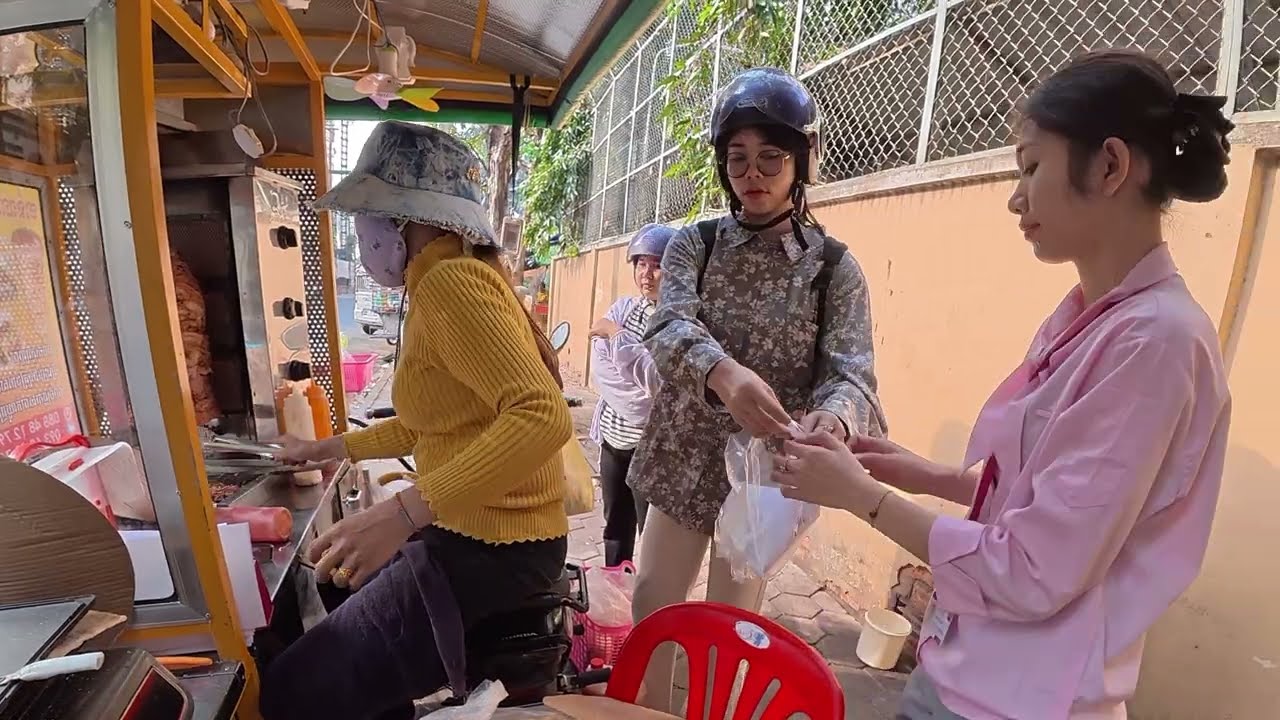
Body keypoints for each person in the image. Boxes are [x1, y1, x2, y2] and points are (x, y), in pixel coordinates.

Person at [771, 50, 1234, 719]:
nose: (1017, 196)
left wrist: (862, 498)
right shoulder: (1085, 316)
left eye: (1032, 167)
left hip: (1023, 697)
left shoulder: (1156, 343)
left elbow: (1034, 567)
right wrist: (921, 474)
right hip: (968, 662)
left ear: (1108, 165)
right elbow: (1042, 491)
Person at [259, 121, 573, 720]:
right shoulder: (444, 276)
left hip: (496, 549)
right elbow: (436, 420)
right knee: (336, 585)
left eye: (366, 214)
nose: (360, 232)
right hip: (479, 536)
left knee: (293, 690)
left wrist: (403, 512)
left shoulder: (450, 283)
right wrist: (337, 446)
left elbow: (540, 415)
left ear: (400, 221)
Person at [627, 67, 887, 712]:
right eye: (738, 158)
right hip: (684, 457)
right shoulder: (697, 243)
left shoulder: (833, 267)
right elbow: (666, 321)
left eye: (772, 156)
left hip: (765, 482)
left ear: (802, 163)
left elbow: (853, 374)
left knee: (728, 628)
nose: (754, 173)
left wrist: (832, 421)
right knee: (653, 606)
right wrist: (721, 371)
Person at [587, 223, 675, 566]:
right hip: (612, 442)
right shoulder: (624, 308)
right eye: (641, 263)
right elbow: (603, 372)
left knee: (650, 535)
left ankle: (648, 606)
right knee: (614, 529)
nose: (647, 274)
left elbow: (658, 385)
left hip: (649, 449)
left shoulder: (675, 321)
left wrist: (617, 336)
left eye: (657, 264)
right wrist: (640, 388)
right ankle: (614, 592)